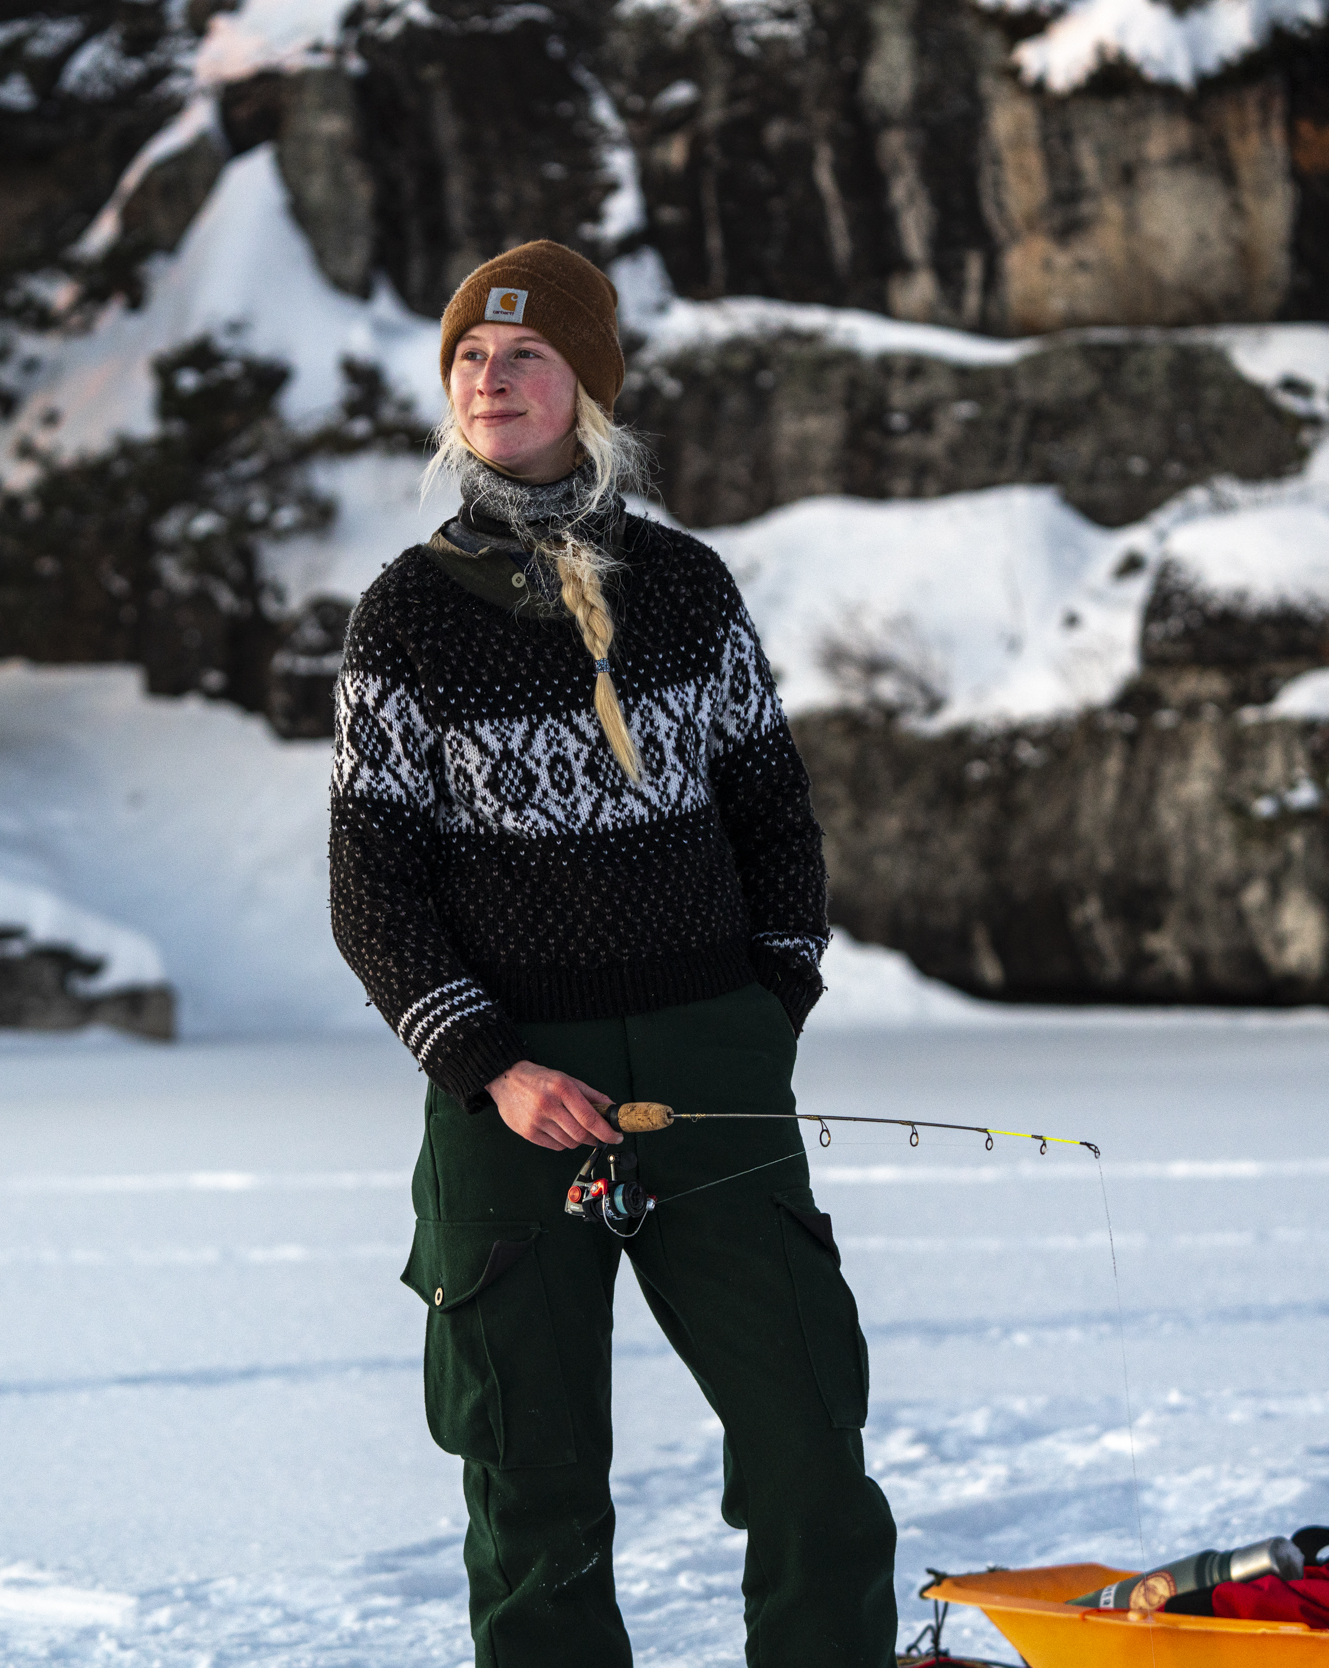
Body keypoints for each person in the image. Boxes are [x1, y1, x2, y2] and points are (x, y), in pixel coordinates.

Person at [328, 239, 899, 1666]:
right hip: (508, 1095)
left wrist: (766, 1006)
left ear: (587, 384)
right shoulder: (406, 617)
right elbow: (373, 888)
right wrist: (492, 1065)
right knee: (532, 1489)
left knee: (810, 1449)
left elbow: (776, 815)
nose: (489, 376)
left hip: (712, 1063)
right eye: (468, 354)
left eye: (522, 353)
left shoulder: (689, 590)